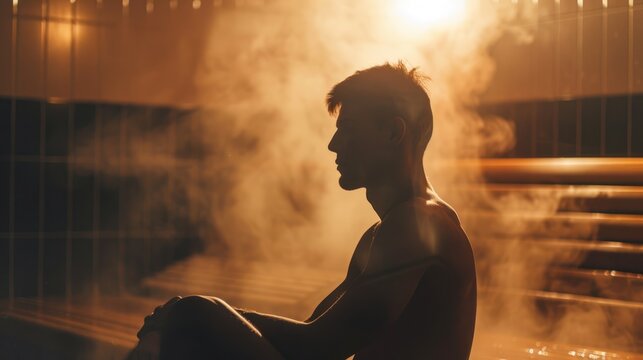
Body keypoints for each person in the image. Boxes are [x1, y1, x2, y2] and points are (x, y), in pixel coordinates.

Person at [129, 62, 477, 360]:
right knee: (191, 325)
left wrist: (194, 313)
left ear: (392, 132)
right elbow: (312, 334)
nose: (333, 145)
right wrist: (193, 317)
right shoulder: (385, 232)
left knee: (193, 316)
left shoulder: (418, 224)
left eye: (348, 129)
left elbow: (321, 348)